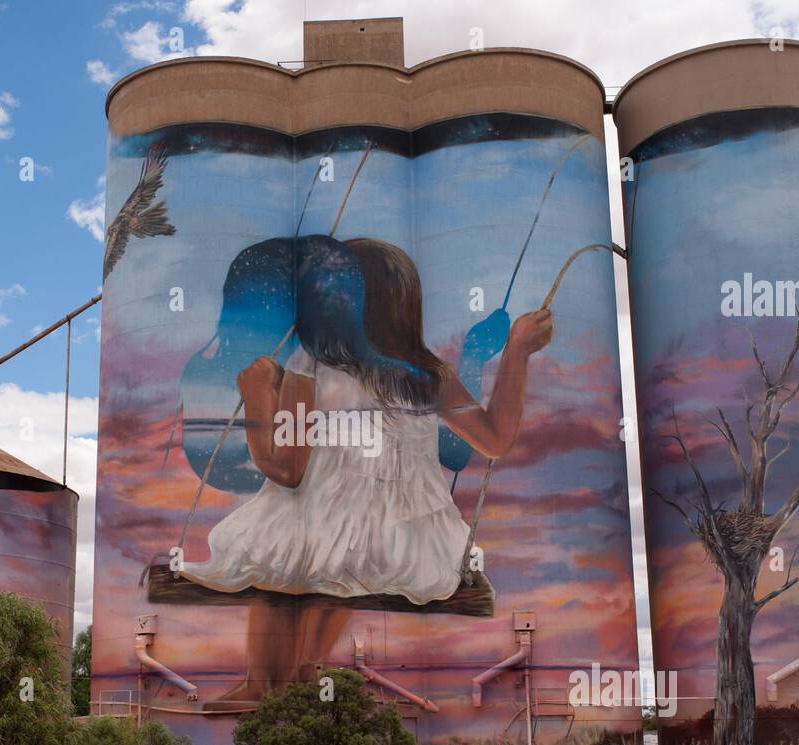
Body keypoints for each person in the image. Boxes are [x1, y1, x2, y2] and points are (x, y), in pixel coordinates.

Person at [184, 237, 554, 704]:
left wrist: (260, 396)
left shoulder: (311, 365)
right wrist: (517, 351)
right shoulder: (430, 376)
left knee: (276, 542)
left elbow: (285, 469)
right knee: (339, 561)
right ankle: (301, 673)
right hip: (408, 545)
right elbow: (497, 439)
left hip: (330, 533)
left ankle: (259, 684)